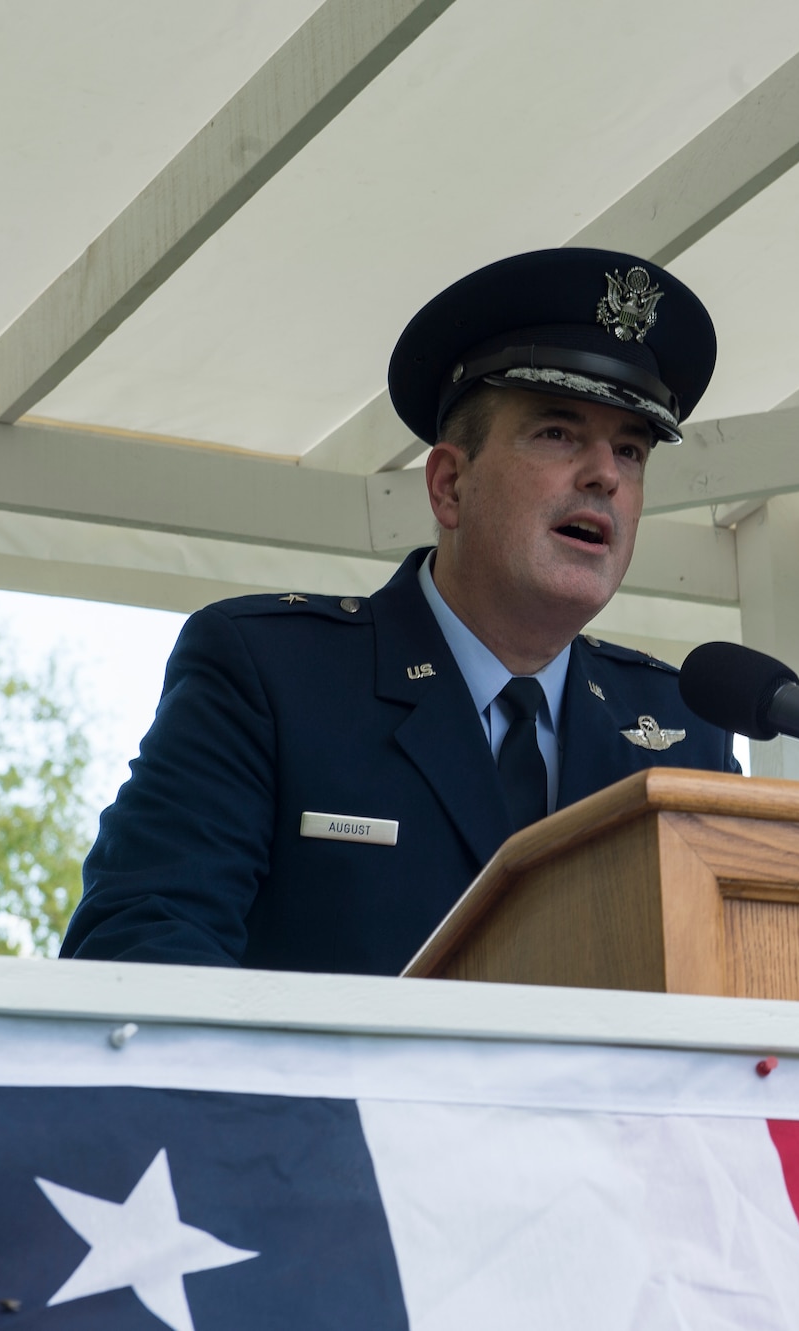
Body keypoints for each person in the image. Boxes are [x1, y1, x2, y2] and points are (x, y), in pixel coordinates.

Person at [61, 249, 740, 975]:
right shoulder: (271, 675)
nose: (605, 474)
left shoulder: (683, 729)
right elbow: (138, 945)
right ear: (449, 485)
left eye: (631, 450)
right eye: (558, 433)